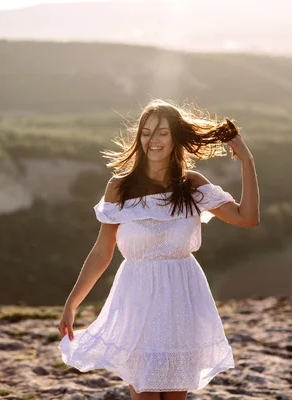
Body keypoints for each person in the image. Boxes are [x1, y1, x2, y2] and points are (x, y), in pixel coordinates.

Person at [57, 99, 260, 400]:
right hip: (137, 299)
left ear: (175, 137)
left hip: (182, 298)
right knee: (145, 395)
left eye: (162, 133)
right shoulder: (119, 187)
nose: (153, 140)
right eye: (146, 132)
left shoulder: (192, 185)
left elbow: (248, 218)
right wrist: (72, 303)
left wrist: (247, 161)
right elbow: (102, 252)